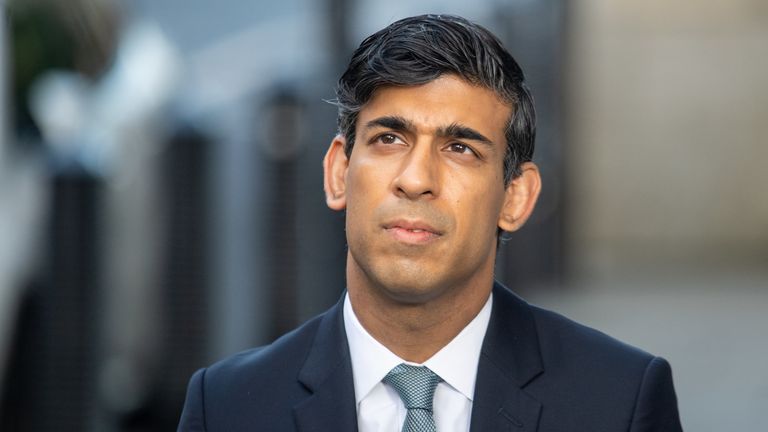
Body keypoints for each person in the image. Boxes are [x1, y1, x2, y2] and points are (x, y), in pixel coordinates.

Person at [177, 14, 682, 432]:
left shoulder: (620, 402)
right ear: (337, 173)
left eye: (460, 148)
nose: (416, 179)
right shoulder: (226, 408)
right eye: (388, 140)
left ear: (516, 197)